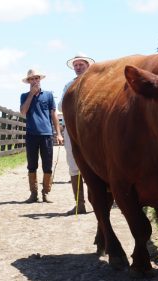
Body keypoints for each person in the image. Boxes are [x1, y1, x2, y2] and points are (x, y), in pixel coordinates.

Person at [20, 69, 63, 203]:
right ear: (28, 81)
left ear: (40, 80)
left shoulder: (49, 95)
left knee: (47, 165)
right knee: (32, 165)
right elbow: (23, 111)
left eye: (36, 78)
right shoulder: (24, 96)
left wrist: (58, 133)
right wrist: (31, 95)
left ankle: (46, 192)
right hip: (31, 134)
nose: (34, 81)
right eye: (31, 79)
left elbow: (54, 115)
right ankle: (33, 193)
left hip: (46, 134)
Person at [60, 54, 95, 215]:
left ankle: (98, 202)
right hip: (72, 128)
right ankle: (79, 204)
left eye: (81, 64)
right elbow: (61, 106)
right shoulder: (68, 85)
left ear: (88, 65)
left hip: (91, 128)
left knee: (95, 162)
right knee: (73, 163)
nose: (78, 67)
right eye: (76, 65)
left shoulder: (96, 83)